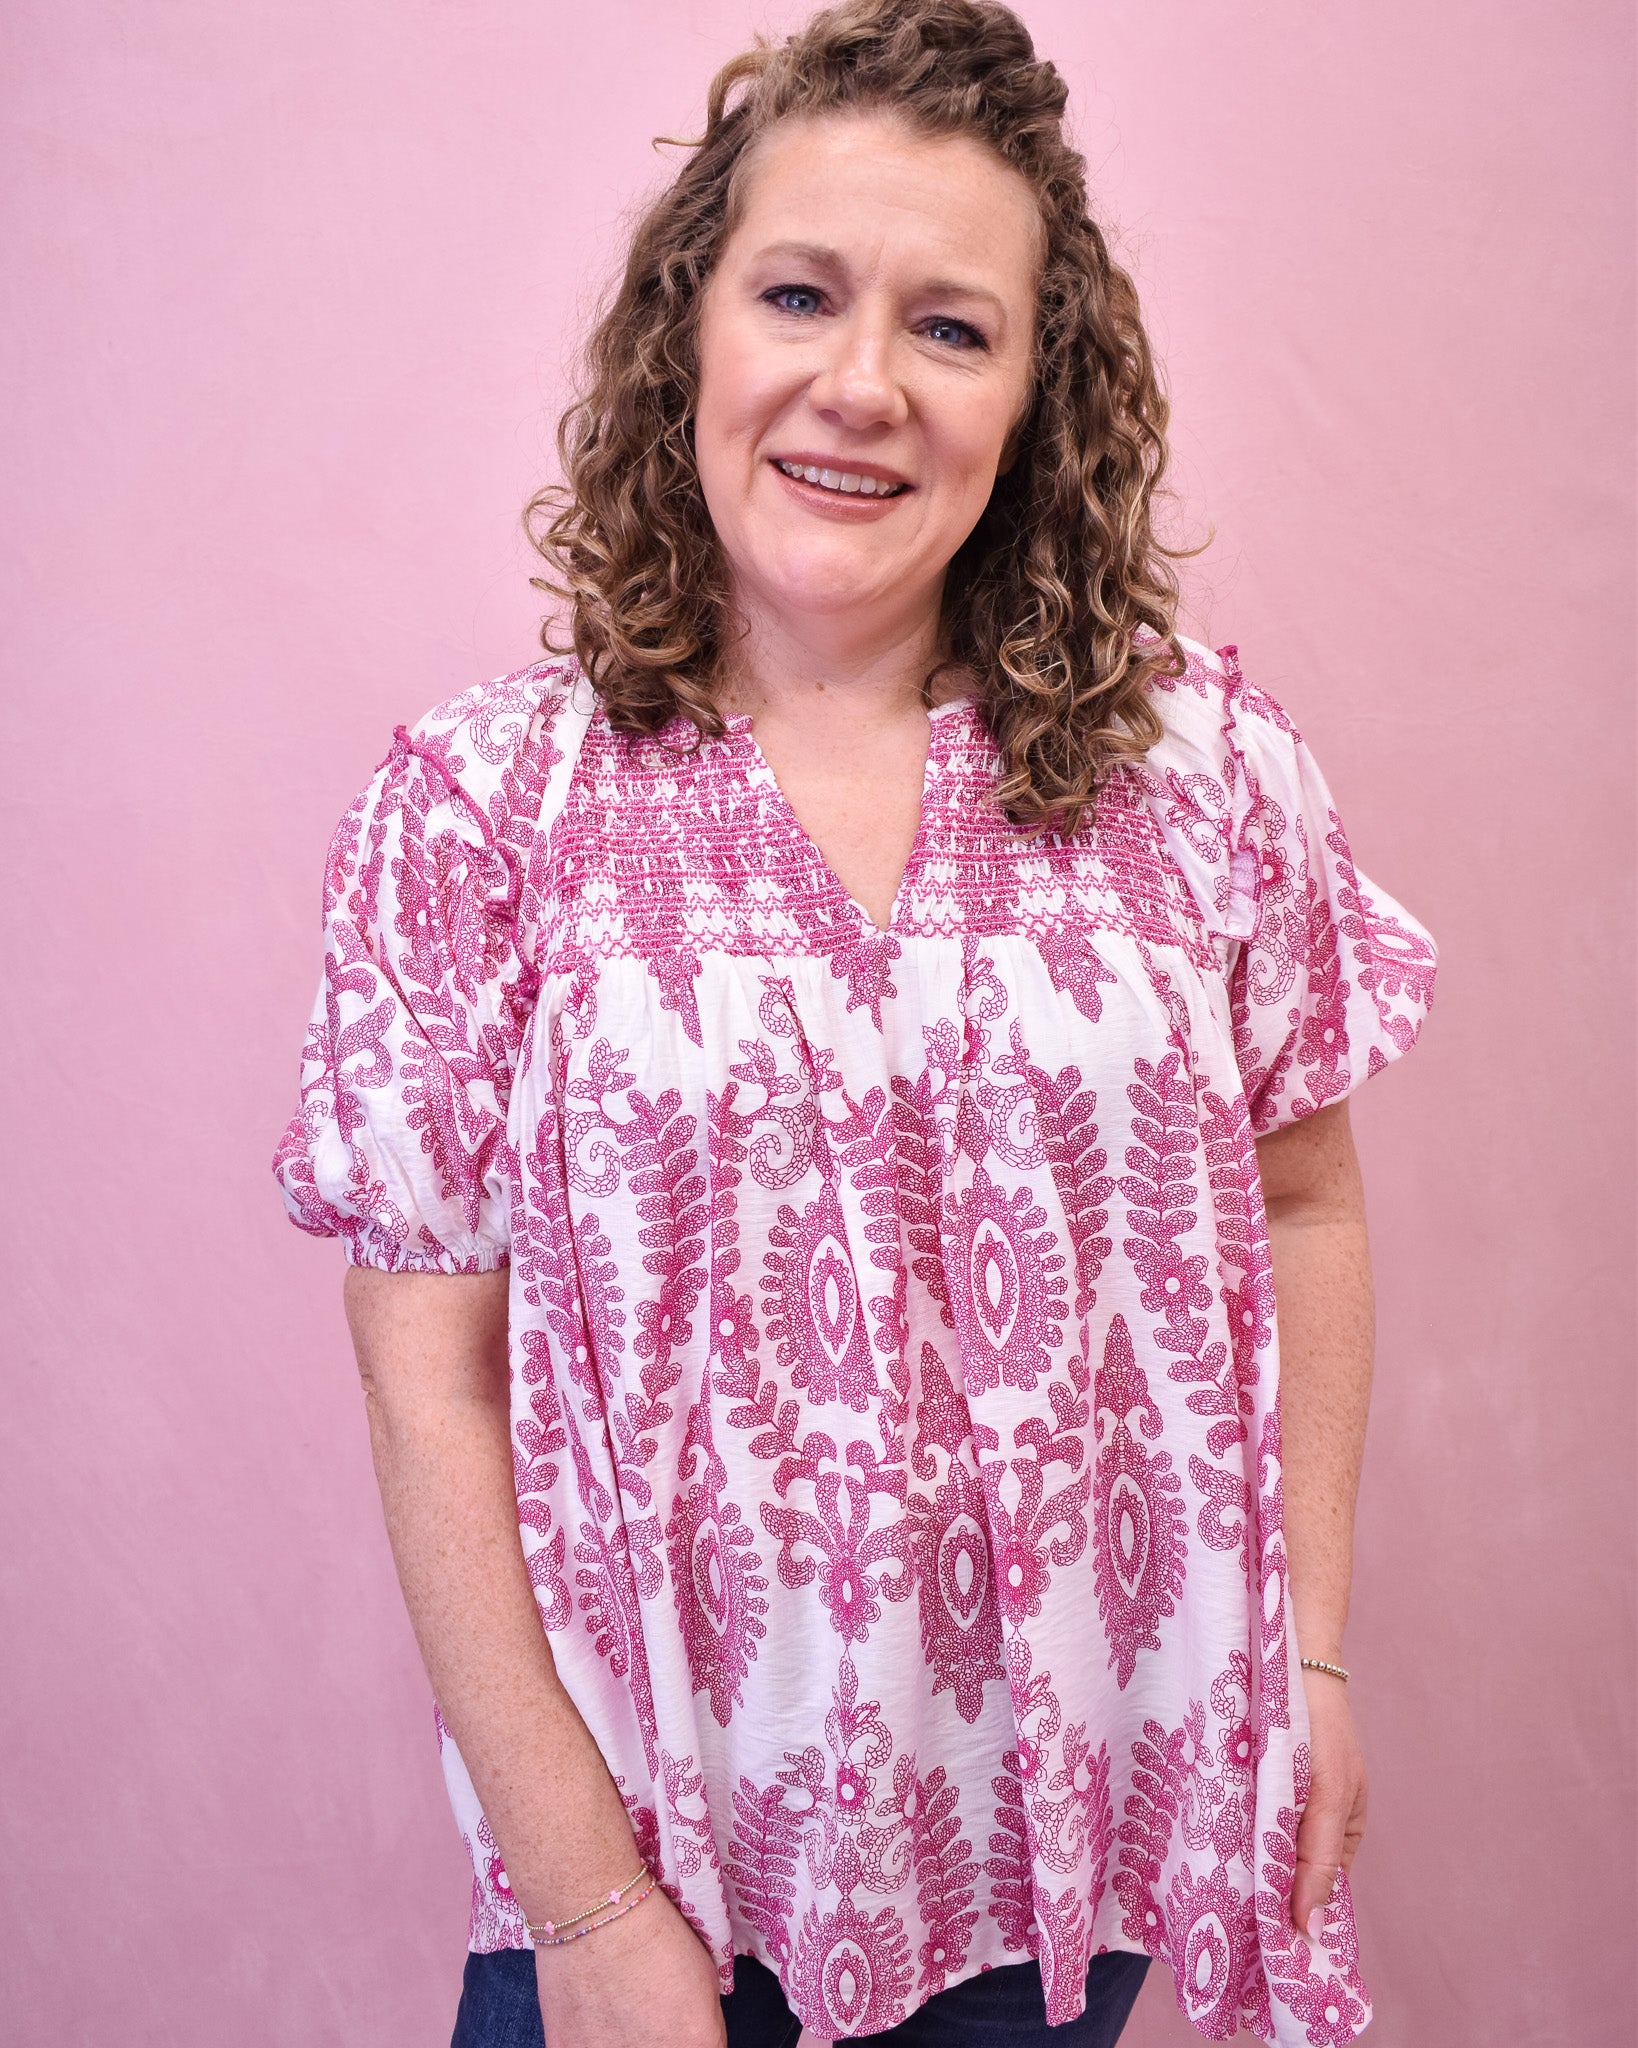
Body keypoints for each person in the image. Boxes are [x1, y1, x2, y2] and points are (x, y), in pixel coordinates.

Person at [274, 3, 1438, 2043]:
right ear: (689, 336)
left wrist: (1311, 1659)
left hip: (1057, 1882)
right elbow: (427, 1368)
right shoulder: (483, 809)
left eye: (955, 327)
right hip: (642, 1870)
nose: (863, 384)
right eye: (799, 293)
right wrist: (583, 1908)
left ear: (1034, 402)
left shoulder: (1206, 779)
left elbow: (1306, 1204)